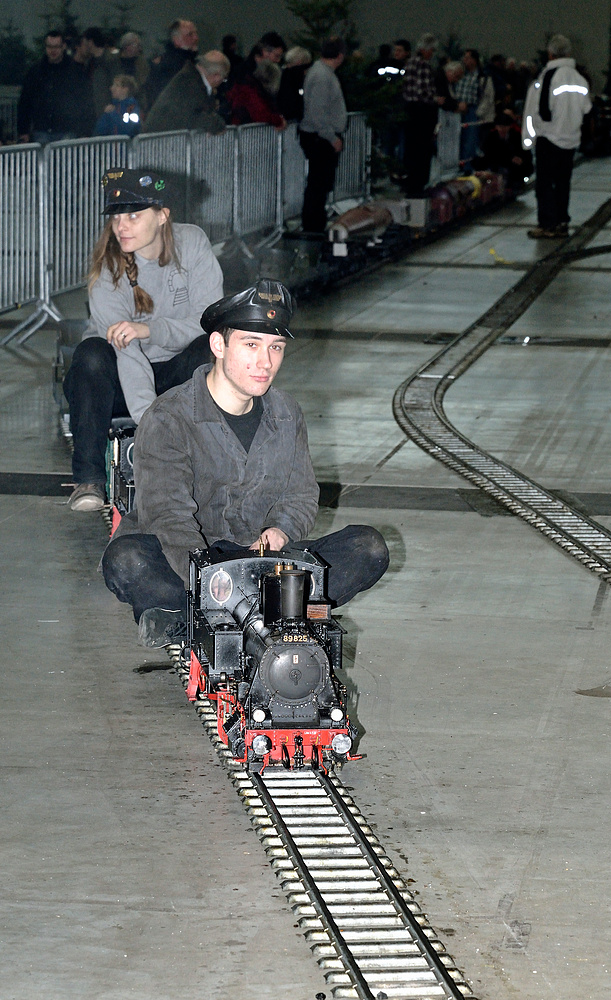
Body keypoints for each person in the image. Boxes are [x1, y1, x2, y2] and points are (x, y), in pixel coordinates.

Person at [100, 279, 390, 648]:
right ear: (218, 345)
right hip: (187, 560)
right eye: (251, 345)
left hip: (262, 562)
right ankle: (206, 608)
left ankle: (215, 613)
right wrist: (214, 582)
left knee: (368, 547)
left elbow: (301, 496)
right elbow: (169, 518)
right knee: (126, 559)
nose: (265, 362)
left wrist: (280, 532)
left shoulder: (286, 412)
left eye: (276, 348)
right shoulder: (168, 417)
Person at [63, 168, 223, 513]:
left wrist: (151, 329)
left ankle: (215, 469)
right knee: (91, 353)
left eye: (133, 216)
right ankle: (88, 479)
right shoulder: (109, 269)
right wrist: (150, 424)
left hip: (176, 375)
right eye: (117, 217)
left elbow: (209, 319)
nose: (121, 227)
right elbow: (128, 354)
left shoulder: (192, 243)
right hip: (119, 379)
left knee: (210, 350)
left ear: (163, 216)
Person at [521, 34, 591, 238]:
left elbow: (540, 111)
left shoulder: (548, 77)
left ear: (550, 54)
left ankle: (547, 225)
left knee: (544, 185)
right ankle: (561, 221)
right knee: (562, 183)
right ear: (568, 53)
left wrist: (529, 139)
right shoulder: (579, 78)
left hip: (549, 139)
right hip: (570, 141)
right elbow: (587, 109)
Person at [298, 37, 348, 234]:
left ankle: (315, 221)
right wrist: (331, 137)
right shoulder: (322, 76)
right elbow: (317, 112)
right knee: (318, 183)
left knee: (320, 182)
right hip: (320, 138)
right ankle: (313, 225)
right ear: (340, 56)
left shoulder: (322, 73)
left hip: (320, 135)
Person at [17, 29, 94, 143]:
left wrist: (84, 131)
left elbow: (85, 101)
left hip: (67, 130)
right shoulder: (35, 71)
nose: (53, 50)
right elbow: (25, 101)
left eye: (56, 47)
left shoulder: (76, 72)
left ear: (63, 46)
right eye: (50, 47)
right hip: (42, 129)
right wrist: (23, 130)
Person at [142, 51, 229, 134]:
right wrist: (217, 125)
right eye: (224, 79)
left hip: (162, 139)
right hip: (160, 142)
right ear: (216, 76)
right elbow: (193, 117)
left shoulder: (190, 79)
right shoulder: (190, 84)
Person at [401, 33, 445, 196]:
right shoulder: (424, 65)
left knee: (411, 149)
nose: (432, 54)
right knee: (422, 150)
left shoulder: (409, 63)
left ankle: (410, 183)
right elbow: (423, 91)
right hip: (422, 113)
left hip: (409, 111)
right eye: (431, 50)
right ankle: (419, 185)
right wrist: (436, 99)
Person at [142, 18, 199, 111]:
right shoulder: (172, 65)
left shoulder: (190, 62)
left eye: (196, 33)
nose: (196, 38)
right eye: (190, 35)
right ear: (176, 40)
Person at [455, 49, 496, 171]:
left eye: (468, 58)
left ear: (474, 60)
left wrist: (479, 112)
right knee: (460, 140)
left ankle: (468, 167)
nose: (465, 60)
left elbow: (488, 97)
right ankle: (460, 165)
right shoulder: (462, 75)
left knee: (470, 141)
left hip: (473, 110)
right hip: (459, 110)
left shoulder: (482, 77)